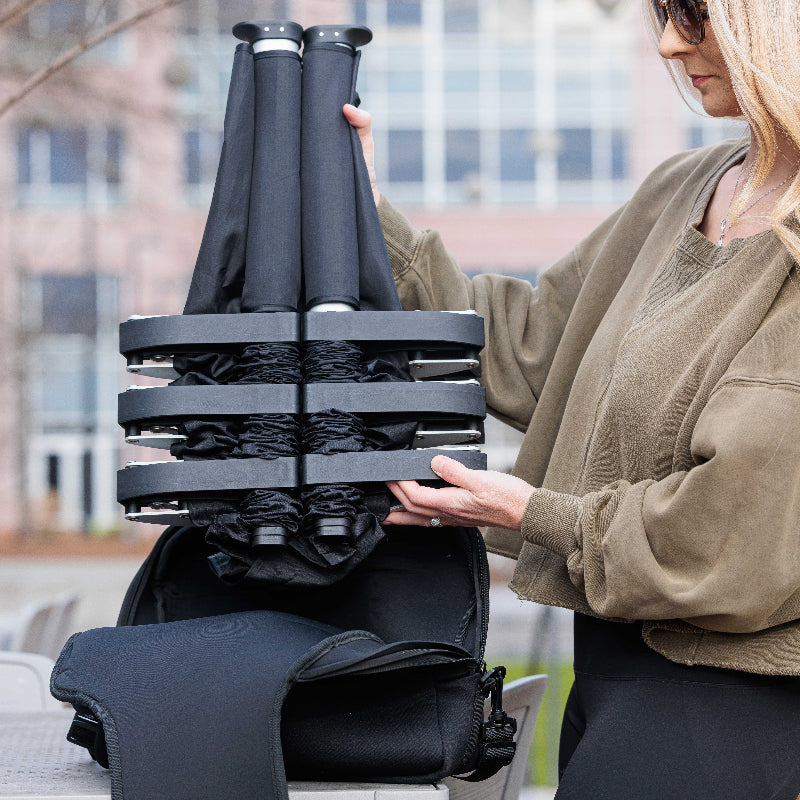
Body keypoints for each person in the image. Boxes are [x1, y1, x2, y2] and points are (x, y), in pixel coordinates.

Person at [344, 1, 800, 797]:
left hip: (733, 700)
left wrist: (528, 513)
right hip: (616, 666)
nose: (666, 43)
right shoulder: (685, 187)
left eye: (694, 16)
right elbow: (536, 352)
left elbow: (728, 543)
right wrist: (363, 211)